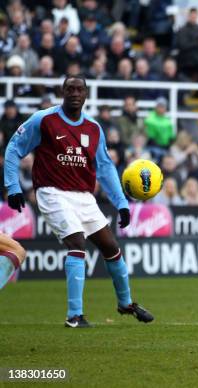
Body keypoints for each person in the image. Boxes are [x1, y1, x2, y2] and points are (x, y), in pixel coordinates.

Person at [4, 74, 154, 328]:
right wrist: (13, 186)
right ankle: (75, 315)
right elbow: (13, 148)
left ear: (86, 95)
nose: (75, 93)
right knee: (77, 242)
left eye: (79, 89)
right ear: (63, 92)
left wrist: (122, 203)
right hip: (52, 192)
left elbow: (105, 168)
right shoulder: (44, 119)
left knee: (110, 246)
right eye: (70, 89)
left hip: (84, 197)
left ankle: (125, 303)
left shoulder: (94, 128)